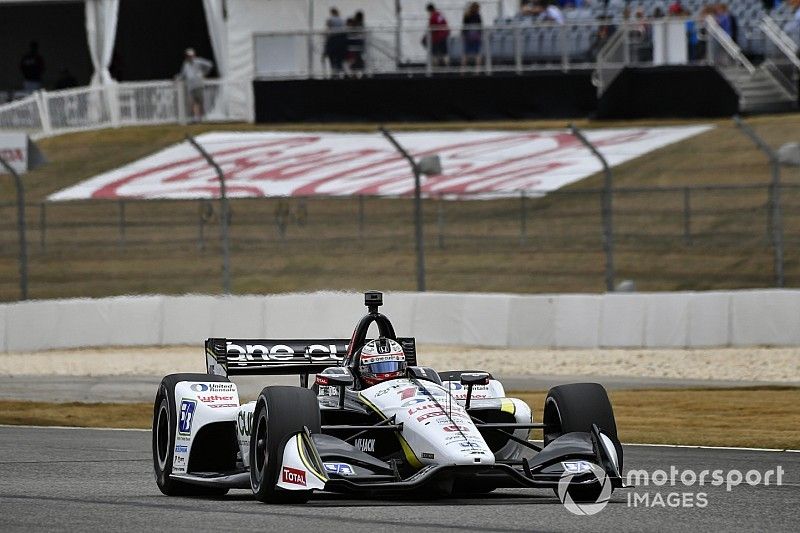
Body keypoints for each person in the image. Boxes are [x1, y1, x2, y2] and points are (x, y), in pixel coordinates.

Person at [175, 48, 213, 123]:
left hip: (199, 84)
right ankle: (196, 119)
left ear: (193, 55)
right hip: (191, 86)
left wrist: (204, 73)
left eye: (191, 55)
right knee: (193, 103)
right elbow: (183, 75)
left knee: (201, 102)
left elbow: (209, 64)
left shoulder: (198, 61)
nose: (189, 57)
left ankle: (203, 118)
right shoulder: (185, 64)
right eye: (188, 56)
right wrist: (177, 78)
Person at [324, 7, 347, 77]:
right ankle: (343, 73)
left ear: (332, 13)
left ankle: (334, 74)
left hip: (333, 40)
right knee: (339, 59)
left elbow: (328, 28)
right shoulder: (342, 20)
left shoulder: (330, 19)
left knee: (332, 58)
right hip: (341, 40)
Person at [461, 2, 483, 69]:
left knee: (465, 54)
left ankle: (462, 69)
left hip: (468, 36)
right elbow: (480, 26)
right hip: (475, 37)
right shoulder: (477, 16)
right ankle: (477, 69)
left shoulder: (467, 15)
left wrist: (463, 34)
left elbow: (464, 26)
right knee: (477, 54)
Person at [346, 10, 366, 76]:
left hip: (353, 45)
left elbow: (351, 33)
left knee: (354, 60)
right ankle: (361, 72)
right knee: (358, 59)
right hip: (359, 45)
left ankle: (354, 73)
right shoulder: (361, 24)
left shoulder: (355, 24)